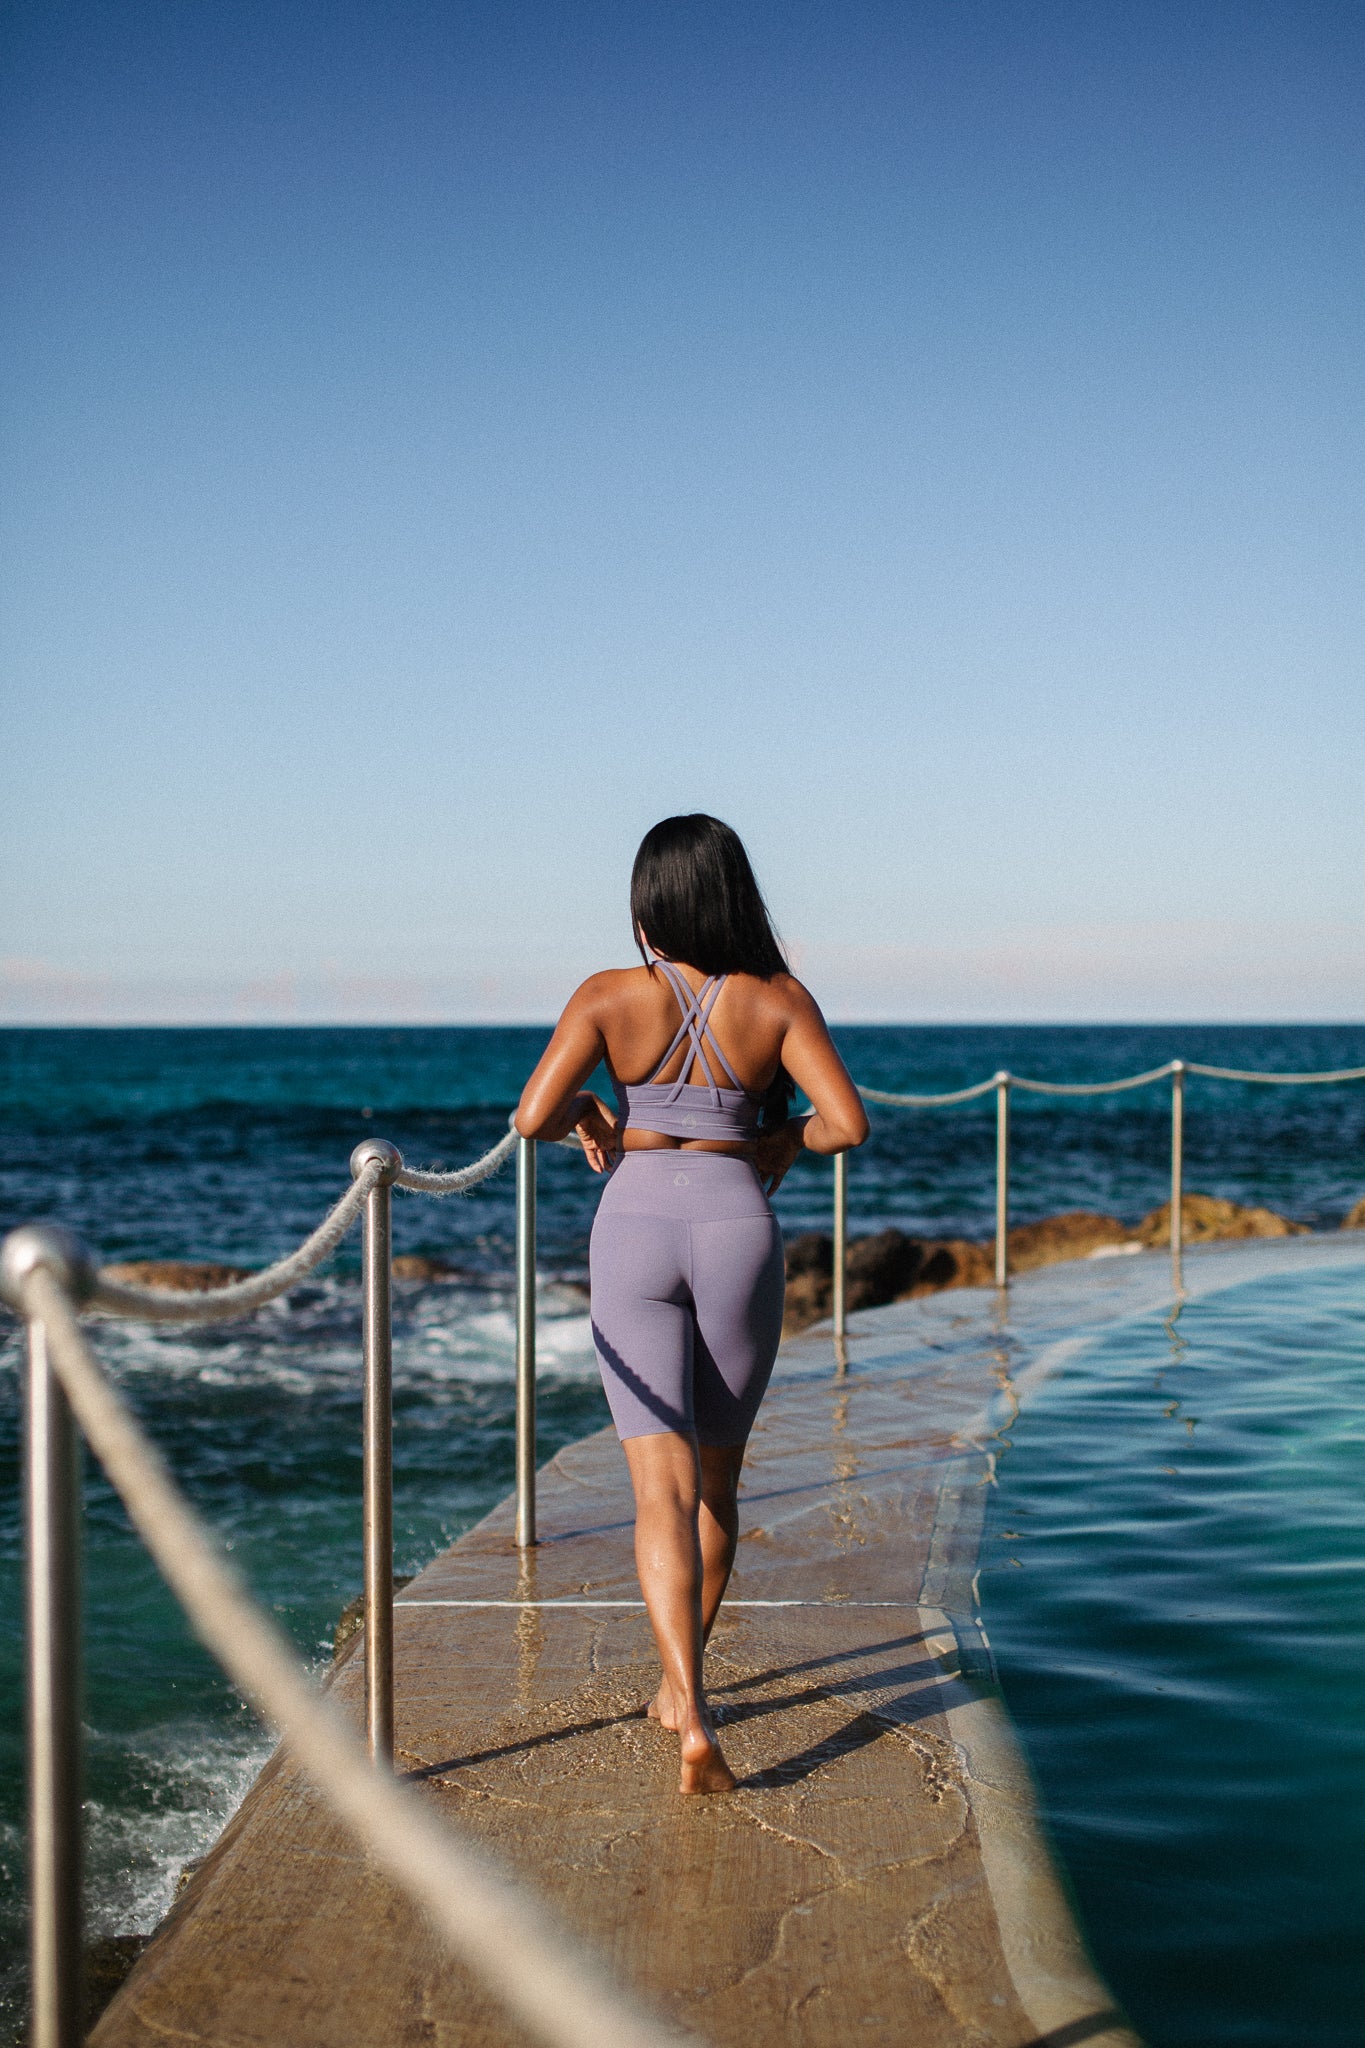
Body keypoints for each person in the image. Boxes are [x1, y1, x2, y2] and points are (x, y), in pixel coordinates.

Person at [515, 815, 868, 1794]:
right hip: (736, 1229)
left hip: (632, 1231)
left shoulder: (608, 993)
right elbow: (847, 1122)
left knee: (656, 1491)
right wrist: (784, 1136)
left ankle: (689, 1706)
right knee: (716, 1484)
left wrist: (595, 1109)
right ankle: (683, 1691)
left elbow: (533, 1115)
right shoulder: (779, 999)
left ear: (648, 905)